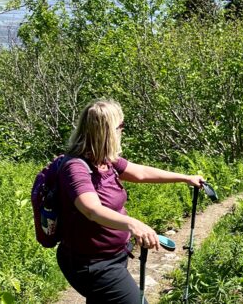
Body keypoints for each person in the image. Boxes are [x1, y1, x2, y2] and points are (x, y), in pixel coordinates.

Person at [56, 99, 203, 303]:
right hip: (92, 264)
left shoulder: (106, 160)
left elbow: (141, 172)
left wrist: (185, 177)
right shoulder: (75, 167)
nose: (123, 130)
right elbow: (91, 210)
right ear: (106, 130)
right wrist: (134, 224)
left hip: (114, 257)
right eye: (121, 126)